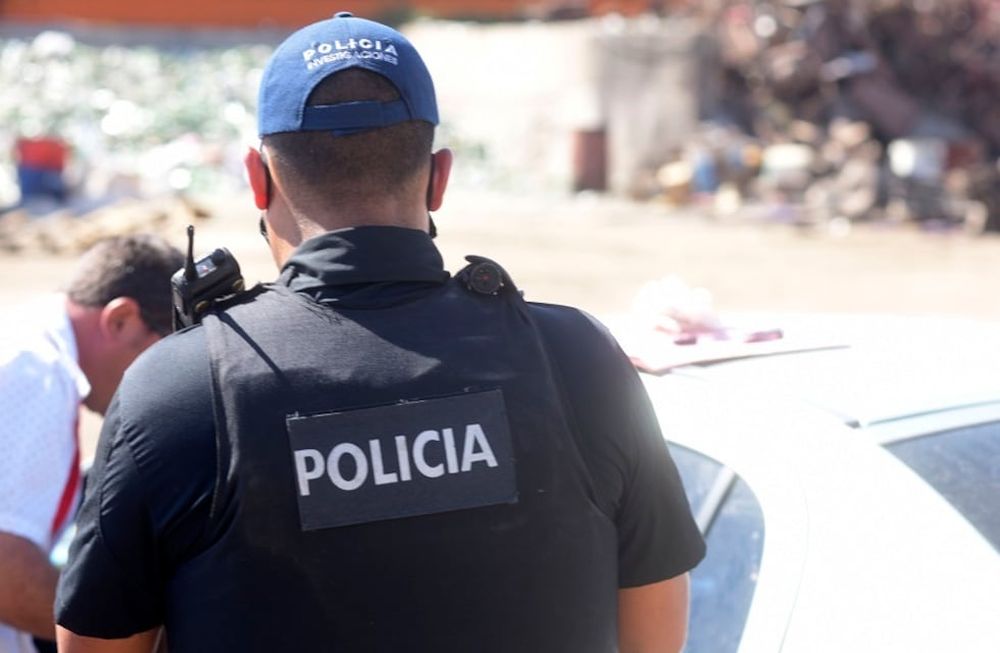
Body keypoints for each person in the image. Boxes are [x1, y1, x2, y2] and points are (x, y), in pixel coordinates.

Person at [55, 12, 705, 653]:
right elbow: (657, 631)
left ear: (257, 180)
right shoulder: (579, 360)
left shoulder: (178, 391)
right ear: (439, 177)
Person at [0, 234, 183, 653]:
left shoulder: (32, 344)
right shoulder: (37, 372)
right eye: (164, 355)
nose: (167, 382)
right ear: (120, 320)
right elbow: (5, 571)